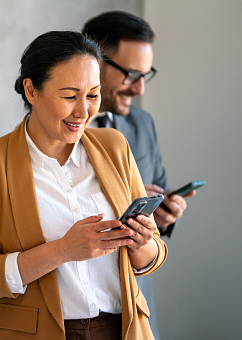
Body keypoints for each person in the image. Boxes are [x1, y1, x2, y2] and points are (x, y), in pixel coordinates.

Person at [0, 31, 167, 340]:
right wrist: (62, 251)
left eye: (93, 95)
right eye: (69, 96)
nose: (83, 112)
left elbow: (153, 255)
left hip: (124, 329)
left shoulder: (114, 146)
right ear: (31, 90)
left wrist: (140, 241)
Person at [82, 11, 196, 339]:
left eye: (146, 75)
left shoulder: (143, 124)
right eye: (131, 74)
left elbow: (156, 189)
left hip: (136, 306)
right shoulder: (52, 131)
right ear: (93, 61)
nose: (140, 87)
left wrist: (163, 215)